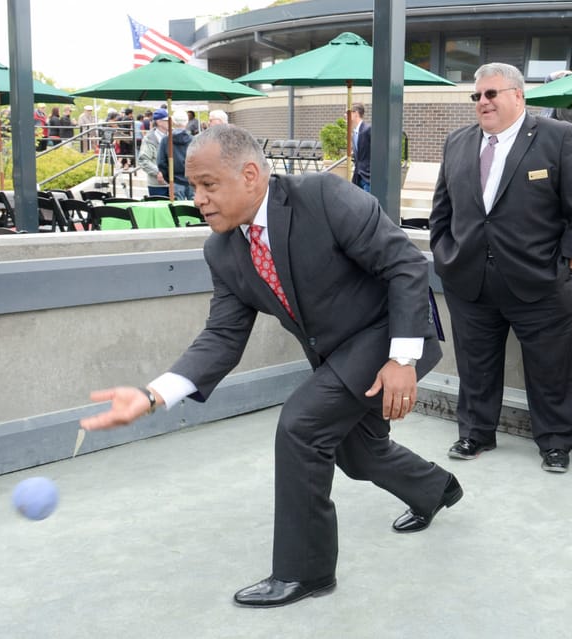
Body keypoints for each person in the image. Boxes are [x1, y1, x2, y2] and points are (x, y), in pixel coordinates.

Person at [80, 124, 461, 609]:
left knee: (302, 425)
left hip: (388, 334)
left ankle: (306, 572)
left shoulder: (322, 196)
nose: (197, 198)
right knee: (358, 454)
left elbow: (405, 264)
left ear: (251, 174)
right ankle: (435, 488)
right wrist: (153, 394)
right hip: (336, 355)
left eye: (208, 184)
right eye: (192, 186)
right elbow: (222, 335)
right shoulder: (222, 249)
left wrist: (401, 358)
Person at [429, 62, 572, 473]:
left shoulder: (558, 138)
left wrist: (569, 261)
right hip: (470, 280)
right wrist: (444, 253)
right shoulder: (457, 142)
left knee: (551, 369)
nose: (483, 102)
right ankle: (475, 433)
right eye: (477, 96)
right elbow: (442, 210)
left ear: (518, 95)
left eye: (491, 94)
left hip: (540, 281)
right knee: (474, 365)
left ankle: (556, 444)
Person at [157, 110, 194, 200]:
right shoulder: (194, 140)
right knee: (194, 211)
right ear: (187, 121)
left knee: (177, 210)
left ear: (173, 122)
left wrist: (169, 178)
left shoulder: (166, 140)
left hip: (175, 180)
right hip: (192, 180)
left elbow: (161, 162)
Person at [137, 108, 170, 198]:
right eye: (167, 120)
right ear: (159, 122)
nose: (170, 122)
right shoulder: (149, 139)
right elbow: (143, 160)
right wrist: (158, 172)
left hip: (174, 184)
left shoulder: (173, 136)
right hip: (157, 185)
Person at [348, 102, 370, 192]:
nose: (345, 115)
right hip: (358, 177)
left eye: (348, 112)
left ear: (356, 113)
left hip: (368, 178)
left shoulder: (368, 129)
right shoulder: (355, 132)